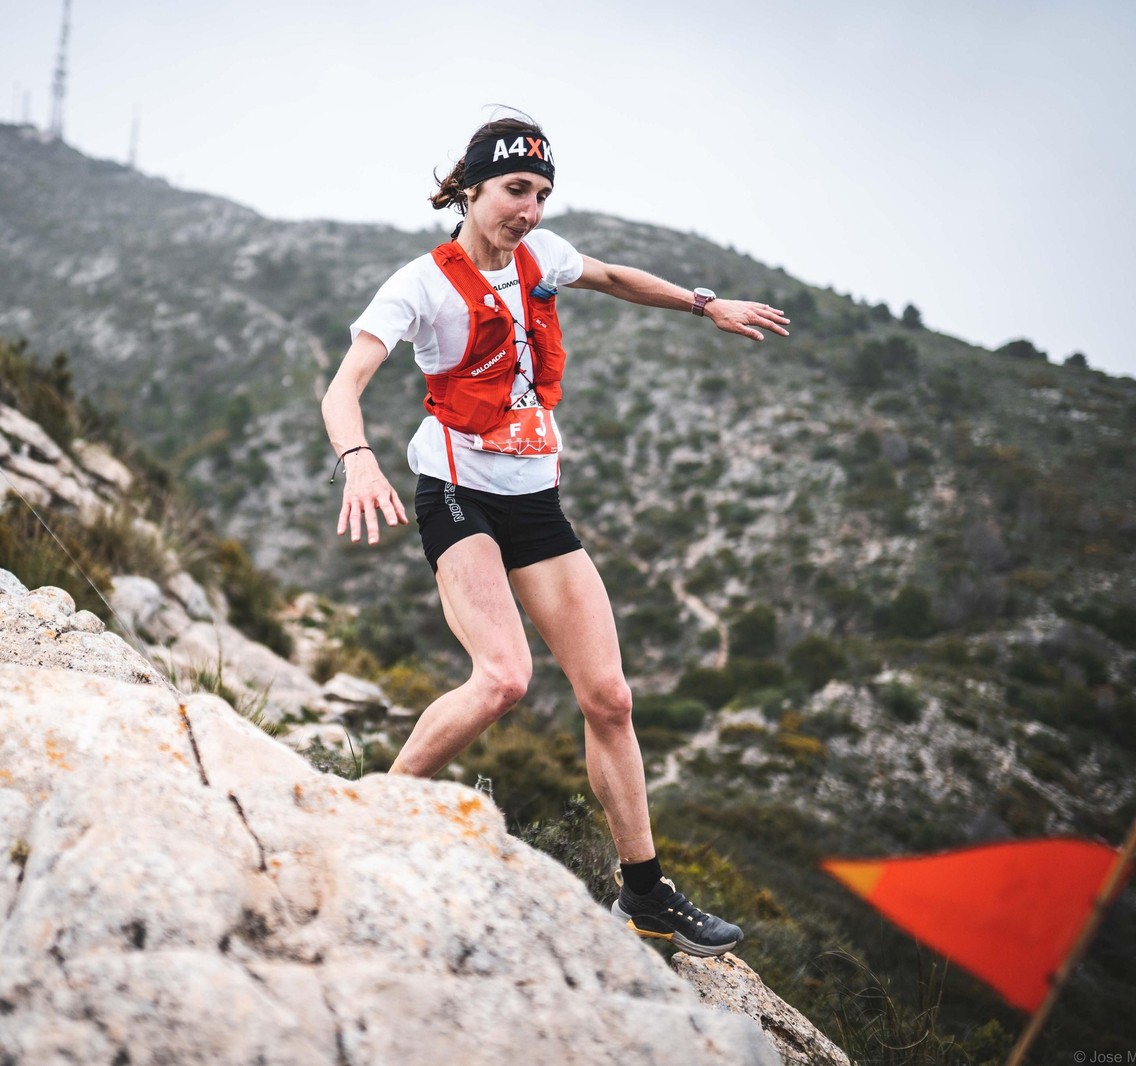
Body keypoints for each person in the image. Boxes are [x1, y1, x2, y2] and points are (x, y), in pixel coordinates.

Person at [321, 116, 788, 957]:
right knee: (503, 679)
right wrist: (358, 459)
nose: (529, 210)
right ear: (470, 187)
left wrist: (702, 303)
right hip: (456, 493)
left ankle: (644, 895)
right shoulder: (419, 286)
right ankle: (368, 819)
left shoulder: (544, 256)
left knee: (610, 698)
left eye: (541, 194)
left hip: (536, 502)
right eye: (513, 191)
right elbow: (344, 385)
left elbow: (609, 275)